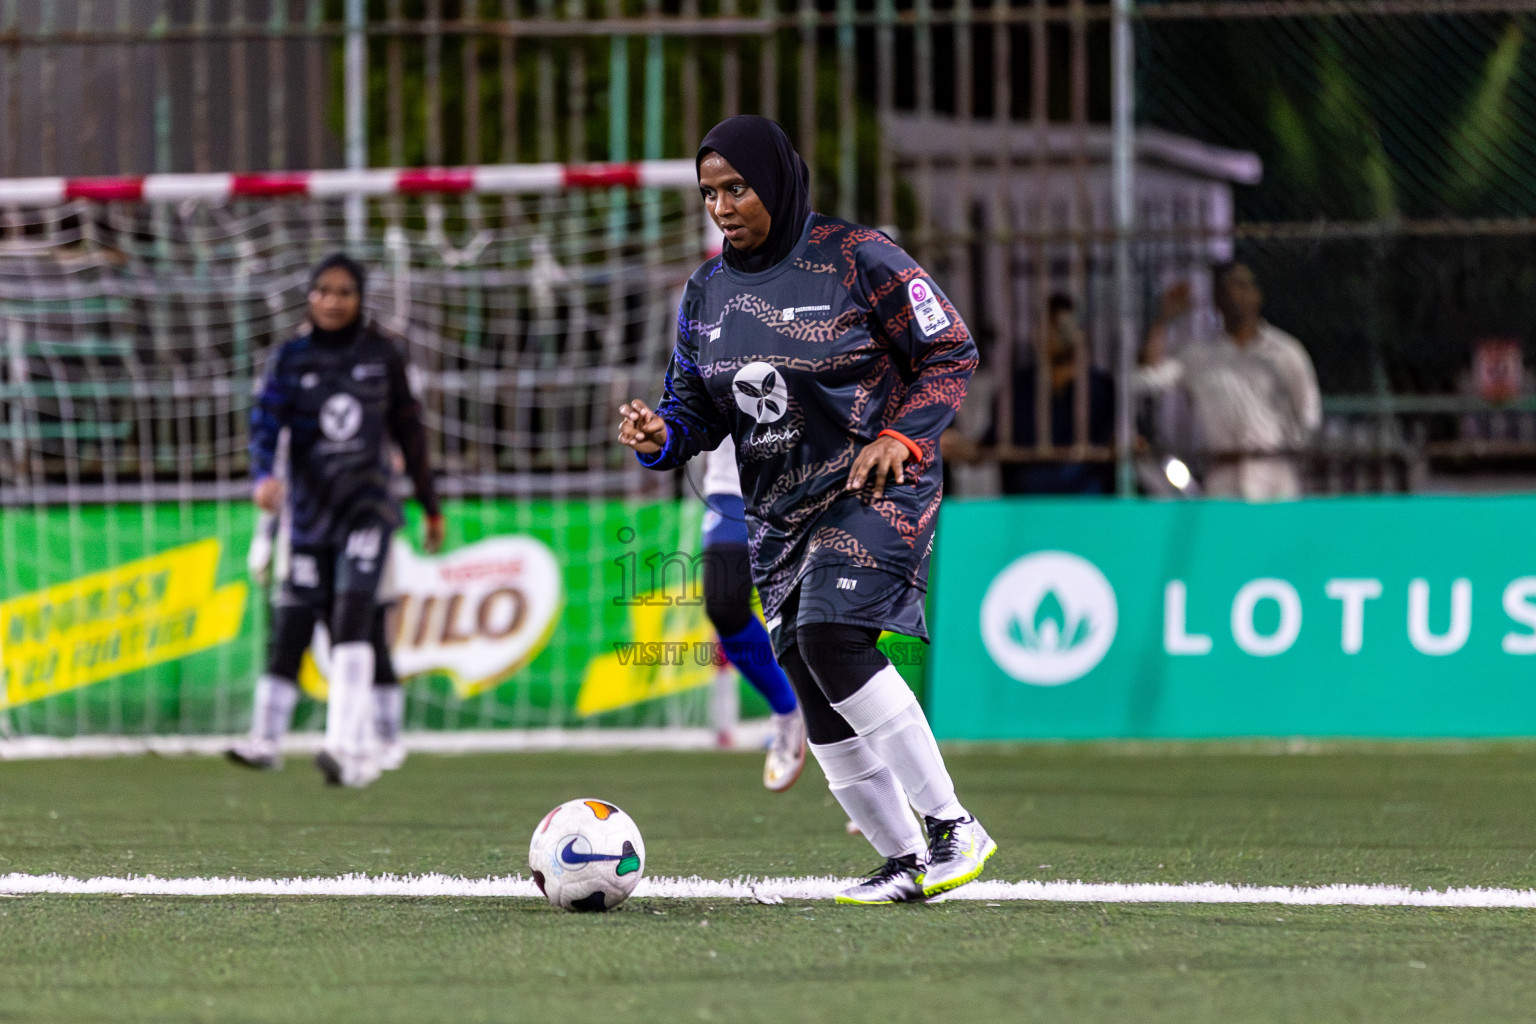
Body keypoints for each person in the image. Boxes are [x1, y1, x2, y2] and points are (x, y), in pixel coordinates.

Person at [618, 115, 995, 905]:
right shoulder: (706, 294)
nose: (721, 206)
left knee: (831, 631)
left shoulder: (859, 258)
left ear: (778, 181)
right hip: (779, 510)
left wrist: (901, 434)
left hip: (875, 484)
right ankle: (901, 859)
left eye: (737, 188)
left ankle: (954, 827)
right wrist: (661, 435)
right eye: (709, 192)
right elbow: (694, 412)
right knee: (805, 667)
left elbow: (950, 349)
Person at [248, 253, 444, 787]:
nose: (331, 301)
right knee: (299, 621)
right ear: (309, 297)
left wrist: (429, 504)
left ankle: (345, 743)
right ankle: (273, 739)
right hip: (310, 515)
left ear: (360, 299)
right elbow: (265, 425)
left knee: (354, 614)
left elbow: (411, 432)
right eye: (322, 291)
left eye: (343, 292)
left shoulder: (383, 355)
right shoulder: (290, 359)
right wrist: (262, 477)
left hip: (369, 508)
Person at [227, 493, 410, 774]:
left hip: (359, 534)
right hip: (305, 539)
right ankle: (266, 739)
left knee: (364, 638)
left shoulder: (369, 456)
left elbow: (393, 465)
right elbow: (279, 472)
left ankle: (379, 741)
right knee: (289, 635)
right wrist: (265, 532)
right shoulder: (300, 452)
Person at [1139, 263, 1321, 500]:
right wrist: (1163, 320)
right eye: (1225, 289)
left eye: (1242, 286)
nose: (1234, 295)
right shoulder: (1198, 356)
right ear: (1216, 300)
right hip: (1223, 479)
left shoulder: (1285, 353)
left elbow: (1309, 415)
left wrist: (1280, 451)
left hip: (1274, 478)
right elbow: (1146, 379)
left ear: (1257, 294)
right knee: (1226, 536)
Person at [699, 436, 808, 790]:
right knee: (724, 607)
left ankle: (883, 774)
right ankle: (788, 710)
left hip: (813, 480)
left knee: (828, 619)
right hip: (731, 488)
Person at [981, 293, 1116, 495]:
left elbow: (1116, 441)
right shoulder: (1014, 390)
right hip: (1026, 507)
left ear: (1081, 334)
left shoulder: (1101, 388)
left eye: (1065, 326)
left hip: (1089, 504)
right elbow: (989, 444)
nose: (1058, 334)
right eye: (1052, 325)